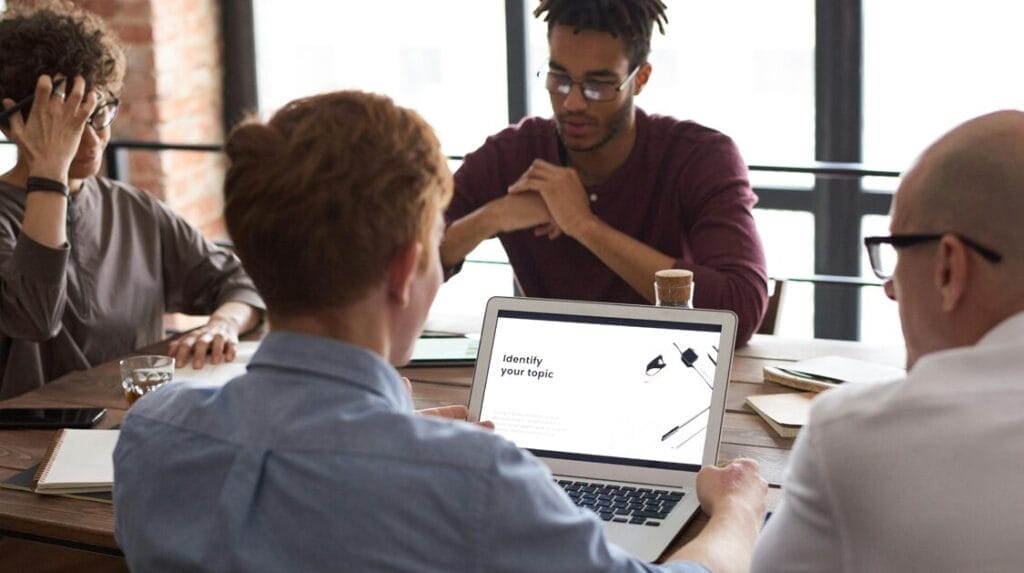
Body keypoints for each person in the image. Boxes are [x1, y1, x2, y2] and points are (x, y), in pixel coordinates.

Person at [113, 89, 768, 572]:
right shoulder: (476, 481)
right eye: (435, 246)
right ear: (405, 270)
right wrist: (737, 509)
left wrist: (399, 423)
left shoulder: (153, 432)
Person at [752, 110, 1024, 571]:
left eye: (896, 251)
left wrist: (737, 510)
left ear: (948, 268)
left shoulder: (854, 437)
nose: (890, 287)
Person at [443, 0, 768, 344]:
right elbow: (397, 263)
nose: (573, 103)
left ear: (639, 78)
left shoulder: (700, 157)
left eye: (598, 85)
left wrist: (584, 226)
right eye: (560, 79)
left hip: (668, 367)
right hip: (547, 371)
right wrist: (490, 218)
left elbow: (740, 309)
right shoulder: (511, 155)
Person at [0, 1, 264, 399]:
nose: (90, 141)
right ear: (12, 120)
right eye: (68, 122)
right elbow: (34, 317)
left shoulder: (134, 210)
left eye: (98, 113)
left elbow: (240, 282)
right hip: (26, 448)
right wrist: (50, 171)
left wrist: (222, 324)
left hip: (133, 426)